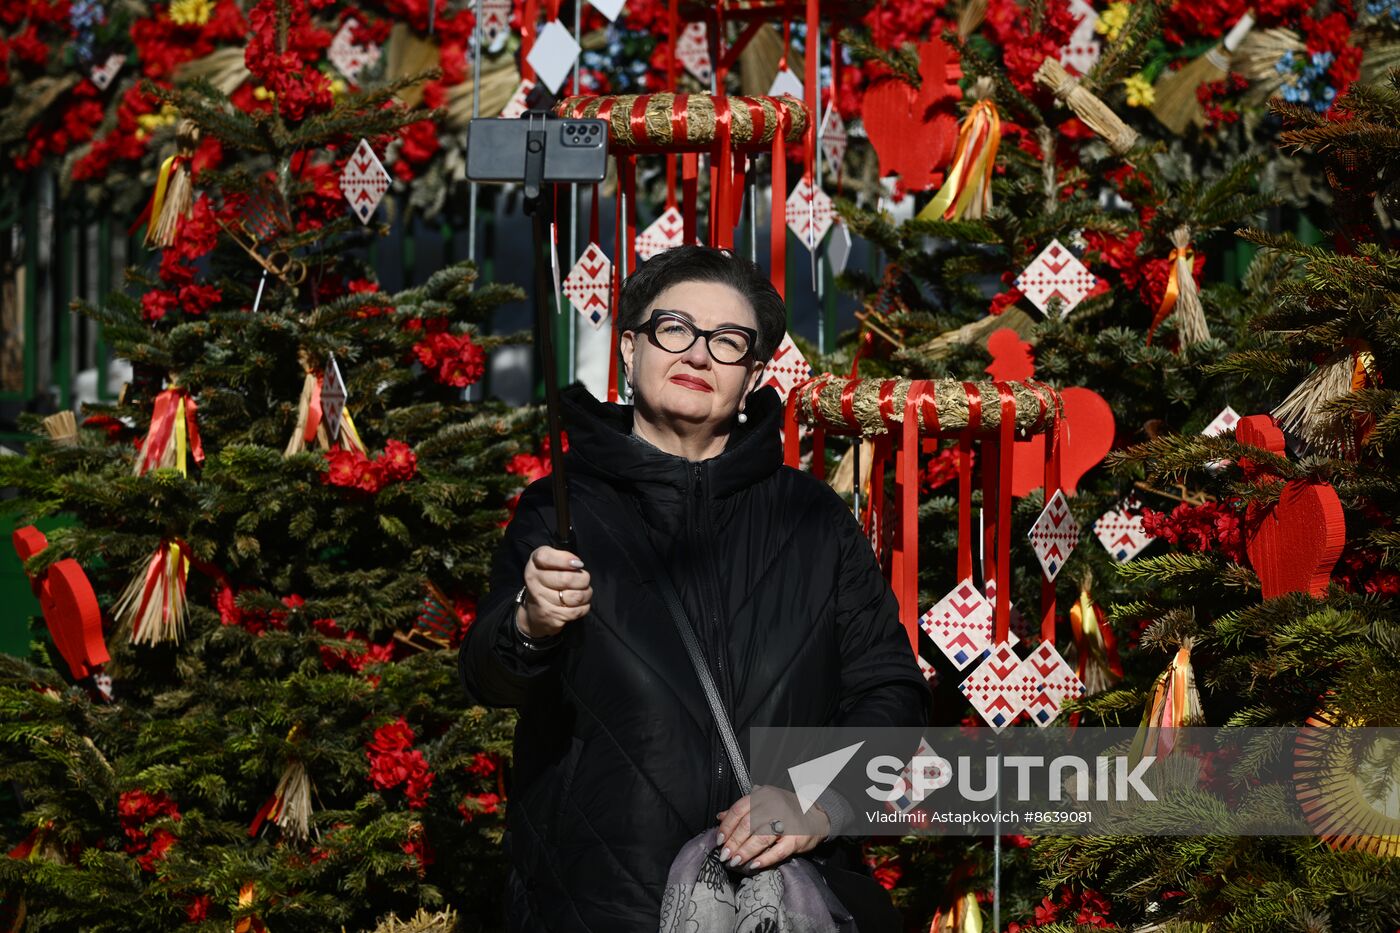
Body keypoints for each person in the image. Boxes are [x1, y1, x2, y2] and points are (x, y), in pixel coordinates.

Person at [458, 244, 932, 932]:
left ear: (753, 375)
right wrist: (530, 625)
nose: (699, 354)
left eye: (728, 341)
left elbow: (890, 692)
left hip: (773, 904)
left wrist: (816, 797)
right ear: (629, 350)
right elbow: (487, 676)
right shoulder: (561, 508)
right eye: (674, 329)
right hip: (598, 907)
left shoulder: (811, 518)